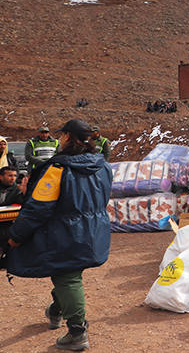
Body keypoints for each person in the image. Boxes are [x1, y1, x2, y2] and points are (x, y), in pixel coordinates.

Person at [7, 118, 112, 350]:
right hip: (94, 231)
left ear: (67, 137)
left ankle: (77, 332)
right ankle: (56, 310)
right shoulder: (103, 166)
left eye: (61, 135)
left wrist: (16, 235)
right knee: (70, 273)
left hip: (66, 234)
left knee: (67, 277)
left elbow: (38, 209)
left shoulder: (57, 169)